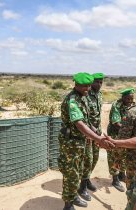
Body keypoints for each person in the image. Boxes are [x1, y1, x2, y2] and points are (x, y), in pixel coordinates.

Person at [58, 72, 114, 210]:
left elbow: (86, 121)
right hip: (71, 143)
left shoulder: (81, 97)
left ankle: (75, 194)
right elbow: (79, 124)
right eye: (84, 86)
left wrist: (96, 131)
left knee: (82, 169)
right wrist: (98, 139)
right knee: (72, 173)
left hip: (81, 141)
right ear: (76, 85)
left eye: (88, 86)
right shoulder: (72, 101)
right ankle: (68, 204)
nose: (87, 89)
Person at [78, 72, 104, 201]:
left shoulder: (100, 96)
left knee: (94, 158)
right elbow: (84, 117)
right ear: (91, 83)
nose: (99, 84)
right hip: (88, 133)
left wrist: (98, 131)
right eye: (97, 82)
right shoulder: (86, 96)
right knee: (87, 160)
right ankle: (82, 187)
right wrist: (92, 130)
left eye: (101, 82)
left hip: (97, 132)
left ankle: (87, 180)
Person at [107, 88, 135, 192]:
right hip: (115, 134)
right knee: (115, 156)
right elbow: (116, 123)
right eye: (128, 98)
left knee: (124, 155)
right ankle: (115, 179)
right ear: (123, 97)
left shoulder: (132, 104)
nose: (130, 101)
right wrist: (128, 130)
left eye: (131, 98)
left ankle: (122, 175)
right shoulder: (116, 105)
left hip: (126, 134)